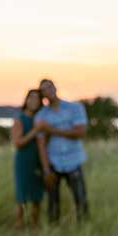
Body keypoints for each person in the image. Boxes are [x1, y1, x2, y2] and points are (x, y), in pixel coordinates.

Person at [34, 78, 89, 222]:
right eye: (44, 89)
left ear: (55, 88)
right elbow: (41, 145)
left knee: (80, 198)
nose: (48, 90)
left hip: (74, 160)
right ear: (43, 95)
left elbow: (80, 133)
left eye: (50, 87)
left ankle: (83, 227)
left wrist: (50, 129)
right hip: (53, 162)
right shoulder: (41, 116)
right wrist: (46, 170)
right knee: (53, 202)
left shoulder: (75, 108)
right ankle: (54, 230)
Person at [12, 88, 50, 229]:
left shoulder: (41, 119)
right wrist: (35, 130)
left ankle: (35, 227)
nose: (34, 101)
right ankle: (19, 227)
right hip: (23, 162)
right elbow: (17, 142)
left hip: (38, 161)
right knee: (22, 198)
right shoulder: (20, 119)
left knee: (37, 198)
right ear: (26, 100)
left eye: (37, 98)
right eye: (31, 97)